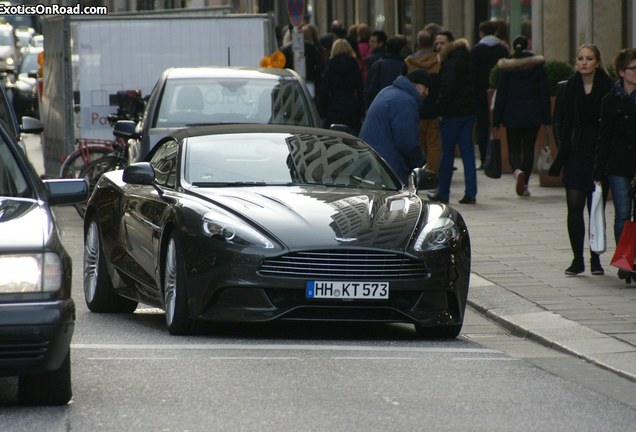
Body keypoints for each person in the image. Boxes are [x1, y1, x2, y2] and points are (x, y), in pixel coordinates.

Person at [548, 44, 614, 276]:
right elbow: (558, 122)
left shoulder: (609, 87)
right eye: (580, 58)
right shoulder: (567, 88)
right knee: (574, 207)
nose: (584, 62)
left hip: (599, 156)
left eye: (589, 58)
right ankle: (577, 258)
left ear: (597, 62)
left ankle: (595, 257)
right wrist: (563, 148)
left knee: (595, 207)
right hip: (575, 155)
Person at [593, 47, 636, 281]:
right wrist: (598, 170)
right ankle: (624, 260)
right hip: (618, 165)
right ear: (621, 72)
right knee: (622, 212)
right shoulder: (610, 101)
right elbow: (604, 136)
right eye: (633, 69)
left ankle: (633, 258)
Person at [493, 35, 551, 197]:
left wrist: (497, 119)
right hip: (533, 114)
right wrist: (547, 117)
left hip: (511, 114)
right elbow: (543, 92)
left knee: (514, 148)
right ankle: (524, 185)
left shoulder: (506, 67)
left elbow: (501, 95)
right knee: (528, 148)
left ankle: (517, 170)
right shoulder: (537, 66)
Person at [428, 38, 477, 205]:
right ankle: (471, 192)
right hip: (469, 112)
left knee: (447, 153)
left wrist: (440, 110)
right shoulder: (469, 59)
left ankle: (443, 192)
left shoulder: (451, 62)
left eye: (442, 43)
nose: (438, 46)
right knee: (468, 152)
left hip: (452, 114)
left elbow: (447, 88)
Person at [358, 70, 430, 184]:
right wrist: (420, 161)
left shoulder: (387, 91)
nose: (426, 94)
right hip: (386, 168)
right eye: (427, 89)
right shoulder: (406, 101)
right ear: (420, 87)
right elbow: (407, 142)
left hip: (370, 160)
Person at [403, 29, 442, 173]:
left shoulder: (409, 62)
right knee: (434, 144)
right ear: (433, 44)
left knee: (418, 143)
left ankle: (419, 171)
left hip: (415, 109)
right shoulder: (438, 61)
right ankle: (432, 174)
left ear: (417, 43)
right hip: (433, 108)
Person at [472, 20, 509, 169]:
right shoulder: (503, 49)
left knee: (482, 126)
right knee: (499, 124)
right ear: (495, 32)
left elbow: (472, 73)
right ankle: (501, 159)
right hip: (499, 90)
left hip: (480, 92)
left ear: (481, 33)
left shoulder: (476, 50)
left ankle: (484, 159)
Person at [318, 38, 364, 134]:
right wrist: (361, 111)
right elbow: (360, 89)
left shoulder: (330, 65)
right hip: (351, 107)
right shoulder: (354, 65)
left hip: (333, 106)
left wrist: (322, 110)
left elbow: (324, 90)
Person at [364, 35, 406, 109]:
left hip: (381, 103)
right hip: (401, 103)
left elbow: (371, 87)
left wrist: (368, 106)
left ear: (386, 48)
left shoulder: (378, 65)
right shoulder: (405, 65)